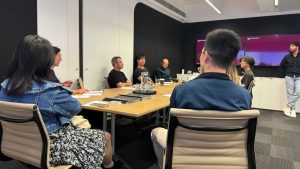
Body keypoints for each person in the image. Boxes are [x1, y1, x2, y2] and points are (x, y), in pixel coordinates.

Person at [0, 35, 127, 169]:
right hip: (50, 146)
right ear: (45, 62)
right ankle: (111, 166)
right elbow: (75, 108)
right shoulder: (49, 91)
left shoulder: (4, 88)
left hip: (16, 144)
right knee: (106, 136)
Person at [151, 29, 252, 169]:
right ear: (231, 61)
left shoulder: (181, 91)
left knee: (155, 132)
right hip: (226, 159)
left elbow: (172, 130)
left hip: (186, 158)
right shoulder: (244, 96)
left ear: (205, 56)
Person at [280, 41, 300, 118]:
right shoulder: (286, 57)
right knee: (290, 94)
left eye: (292, 46)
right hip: (289, 76)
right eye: (290, 46)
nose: (290, 48)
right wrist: (286, 74)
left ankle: (288, 107)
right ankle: (293, 110)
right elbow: (281, 66)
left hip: (299, 77)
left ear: (297, 47)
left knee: (298, 92)